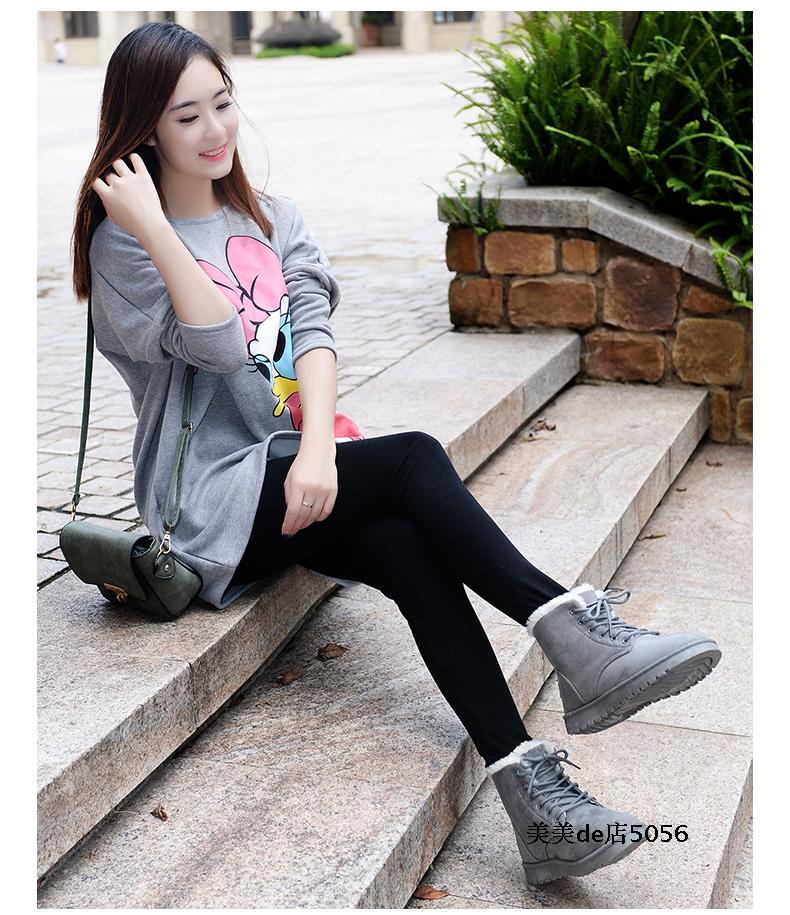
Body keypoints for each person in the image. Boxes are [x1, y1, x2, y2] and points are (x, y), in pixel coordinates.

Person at [69, 21, 722, 885]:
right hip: (210, 503)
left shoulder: (271, 217)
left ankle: (537, 803)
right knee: (413, 457)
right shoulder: (123, 243)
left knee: (410, 549)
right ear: (144, 131)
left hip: (294, 475)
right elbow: (220, 345)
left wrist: (317, 450)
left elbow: (315, 332)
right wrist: (156, 227)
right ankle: (574, 633)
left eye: (222, 103)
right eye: (186, 117)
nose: (216, 130)